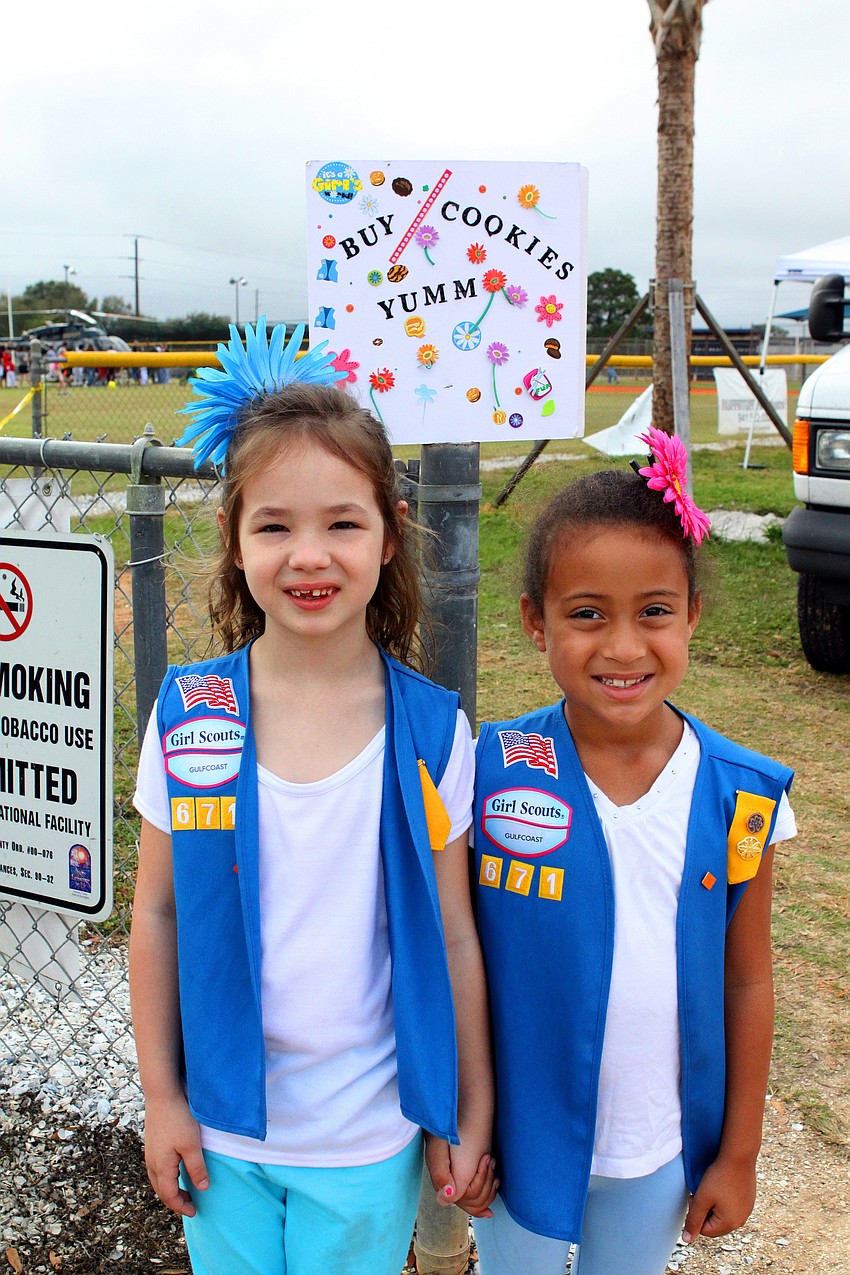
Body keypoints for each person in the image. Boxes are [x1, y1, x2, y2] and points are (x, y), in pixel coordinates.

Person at [129, 318, 495, 1275]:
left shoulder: (433, 730)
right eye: (275, 525)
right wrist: (163, 1097)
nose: (309, 555)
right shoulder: (189, 713)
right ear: (233, 537)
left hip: (367, 1138)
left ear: (389, 532)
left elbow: (456, 932)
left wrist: (465, 1107)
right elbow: (157, 913)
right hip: (224, 1131)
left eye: (342, 521)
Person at [472, 430, 795, 1275]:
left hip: (656, 1147)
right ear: (535, 623)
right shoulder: (488, 770)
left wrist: (739, 1153)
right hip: (517, 1144)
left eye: (653, 610)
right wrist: (462, 1121)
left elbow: (748, 976)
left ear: (692, 614)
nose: (622, 647)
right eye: (587, 614)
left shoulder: (745, 796)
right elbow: (455, 956)